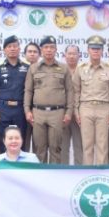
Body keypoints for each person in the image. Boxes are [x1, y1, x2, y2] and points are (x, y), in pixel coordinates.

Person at [24, 35, 73, 164]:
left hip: (57, 113)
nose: (49, 50)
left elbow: (70, 91)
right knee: (39, 148)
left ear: (56, 49)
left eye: (52, 47)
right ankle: (41, 178)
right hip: (38, 113)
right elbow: (28, 91)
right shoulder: (33, 68)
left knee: (55, 148)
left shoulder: (64, 68)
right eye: (46, 47)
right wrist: (27, 111)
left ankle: (55, 178)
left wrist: (68, 113)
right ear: (41, 49)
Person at [73, 35, 109, 165]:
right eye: (93, 48)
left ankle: (101, 172)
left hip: (103, 109)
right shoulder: (80, 69)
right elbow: (76, 91)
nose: (96, 51)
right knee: (87, 145)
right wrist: (76, 111)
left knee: (102, 145)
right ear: (88, 50)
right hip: (85, 108)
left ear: (102, 50)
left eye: (98, 48)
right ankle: (88, 172)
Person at [0, 35, 29, 154]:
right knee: (4, 140)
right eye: (9, 46)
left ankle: (19, 169)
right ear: (4, 50)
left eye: (15, 46)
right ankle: (5, 169)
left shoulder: (27, 68)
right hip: (4, 109)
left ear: (19, 49)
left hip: (20, 109)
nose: (12, 49)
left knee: (20, 139)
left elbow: (30, 91)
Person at [61, 44, 83, 165]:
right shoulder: (60, 69)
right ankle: (63, 172)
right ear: (65, 56)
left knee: (79, 146)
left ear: (79, 55)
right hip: (64, 113)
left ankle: (79, 171)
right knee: (63, 146)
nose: (71, 56)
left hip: (79, 114)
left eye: (74, 54)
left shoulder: (84, 70)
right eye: (69, 54)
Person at [22, 42, 40, 151]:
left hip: (39, 111)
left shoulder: (43, 68)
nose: (32, 54)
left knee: (38, 144)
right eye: (29, 52)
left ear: (39, 54)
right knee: (24, 143)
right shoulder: (20, 69)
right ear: (25, 54)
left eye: (35, 52)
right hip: (23, 111)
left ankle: (37, 167)